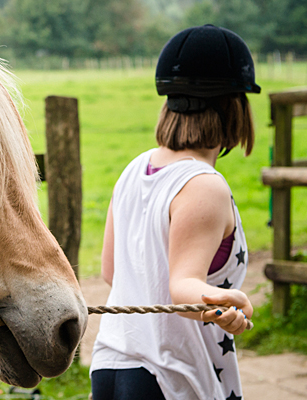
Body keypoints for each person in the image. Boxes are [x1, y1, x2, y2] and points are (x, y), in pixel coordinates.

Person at [90, 25, 259, 400]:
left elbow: (111, 271)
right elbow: (183, 286)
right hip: (169, 377)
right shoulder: (205, 185)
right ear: (234, 105)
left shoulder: (135, 169)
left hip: (111, 367)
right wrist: (228, 303)